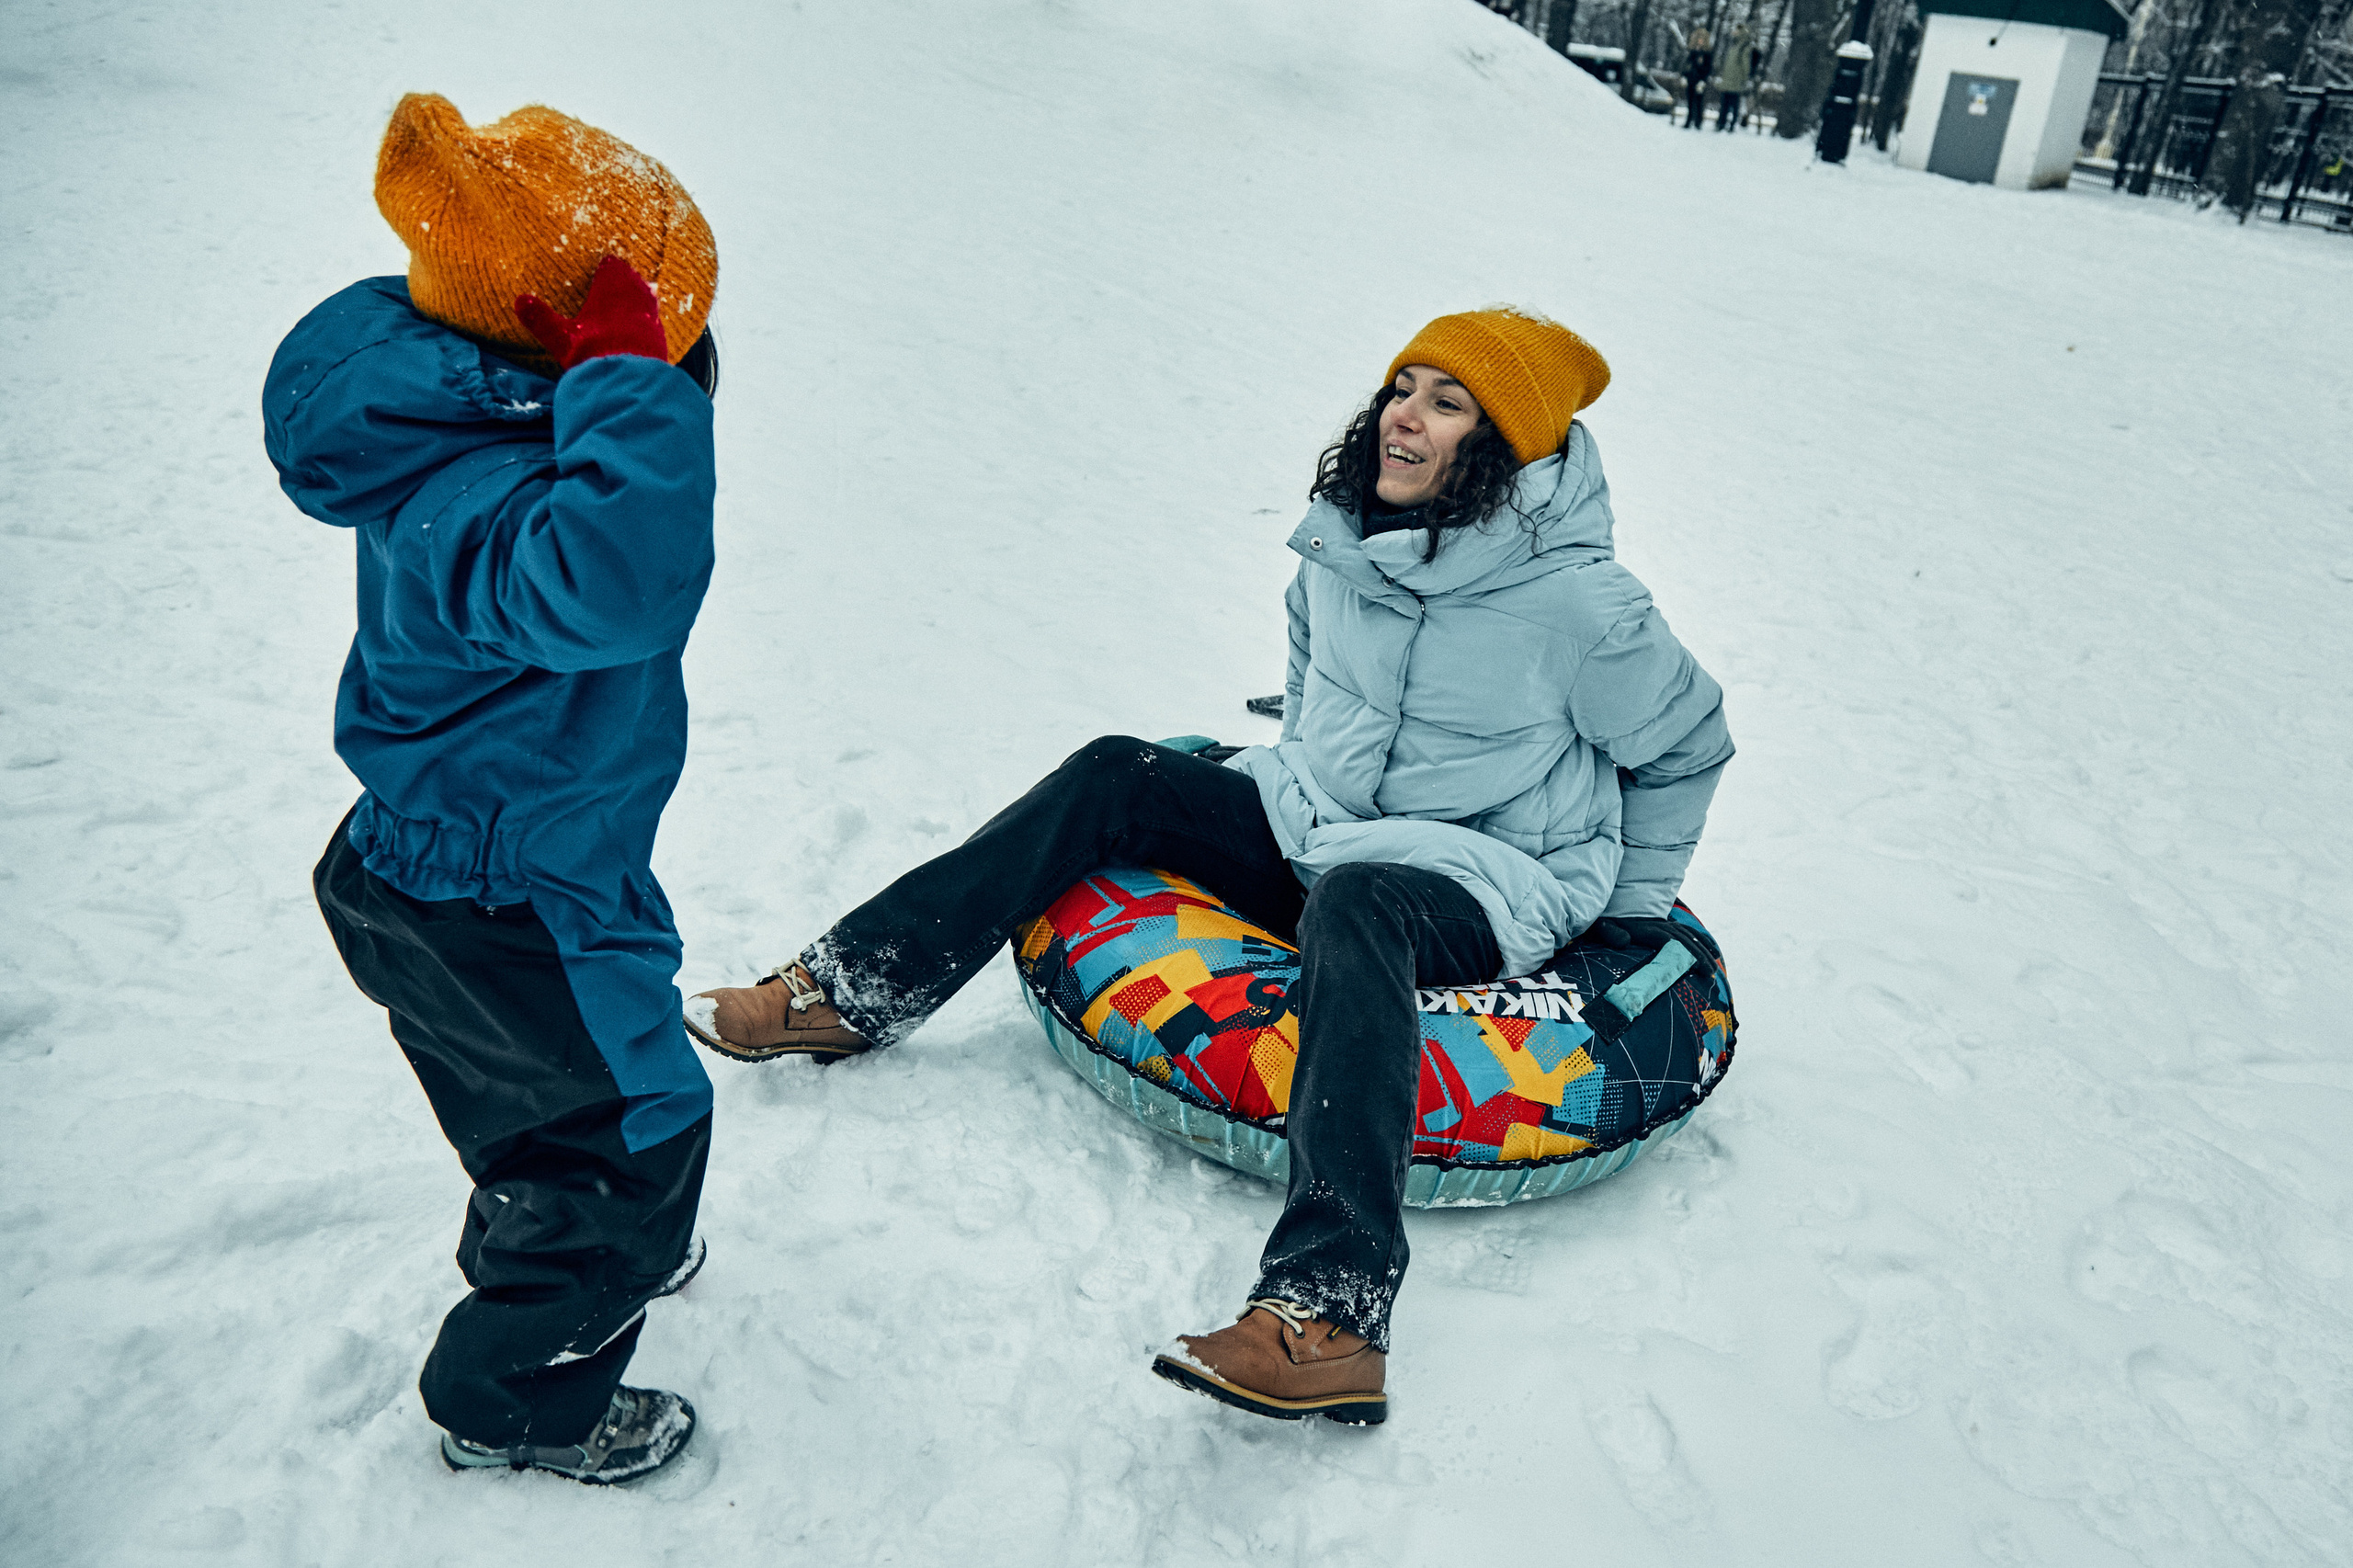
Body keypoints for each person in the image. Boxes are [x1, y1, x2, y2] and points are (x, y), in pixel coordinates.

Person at [688, 308, 1733, 1425]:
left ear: (1502, 443)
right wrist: (1296, 765)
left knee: (1358, 904)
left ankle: (1328, 1312)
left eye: (1445, 401)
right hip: (1320, 815)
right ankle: (848, 990)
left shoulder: (1581, 606)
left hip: (1487, 871)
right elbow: (1307, 657)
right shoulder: (1341, 538)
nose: (1404, 417)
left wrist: (1627, 917)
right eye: (1401, 386)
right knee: (1114, 774)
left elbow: (1688, 742)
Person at [263, 95, 723, 1484]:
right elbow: (621, 584)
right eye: (657, 341)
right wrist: (628, 388)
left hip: (483, 858)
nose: (684, 362)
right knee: (636, 1135)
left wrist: (622, 381)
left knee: (551, 1106)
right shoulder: (488, 498)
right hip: (501, 891)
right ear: (561, 348)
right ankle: (520, 1393)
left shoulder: (470, 413)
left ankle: (569, 1220)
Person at [1715, 21, 1756, 131]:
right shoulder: (1734, 45)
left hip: (1735, 81)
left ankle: (1732, 124)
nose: (1734, 32)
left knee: (1734, 105)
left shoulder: (1744, 47)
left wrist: (1744, 79)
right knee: (1724, 104)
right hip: (1728, 80)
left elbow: (1745, 65)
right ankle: (1721, 123)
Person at [1683, 27, 1716, 130]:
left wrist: (1703, 80)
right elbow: (1687, 65)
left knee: (1698, 102)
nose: (1700, 40)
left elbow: (1708, 68)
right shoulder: (1693, 51)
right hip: (1691, 79)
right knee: (1690, 101)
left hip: (1700, 80)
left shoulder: (1707, 53)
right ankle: (1689, 120)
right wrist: (1684, 76)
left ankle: (1698, 121)